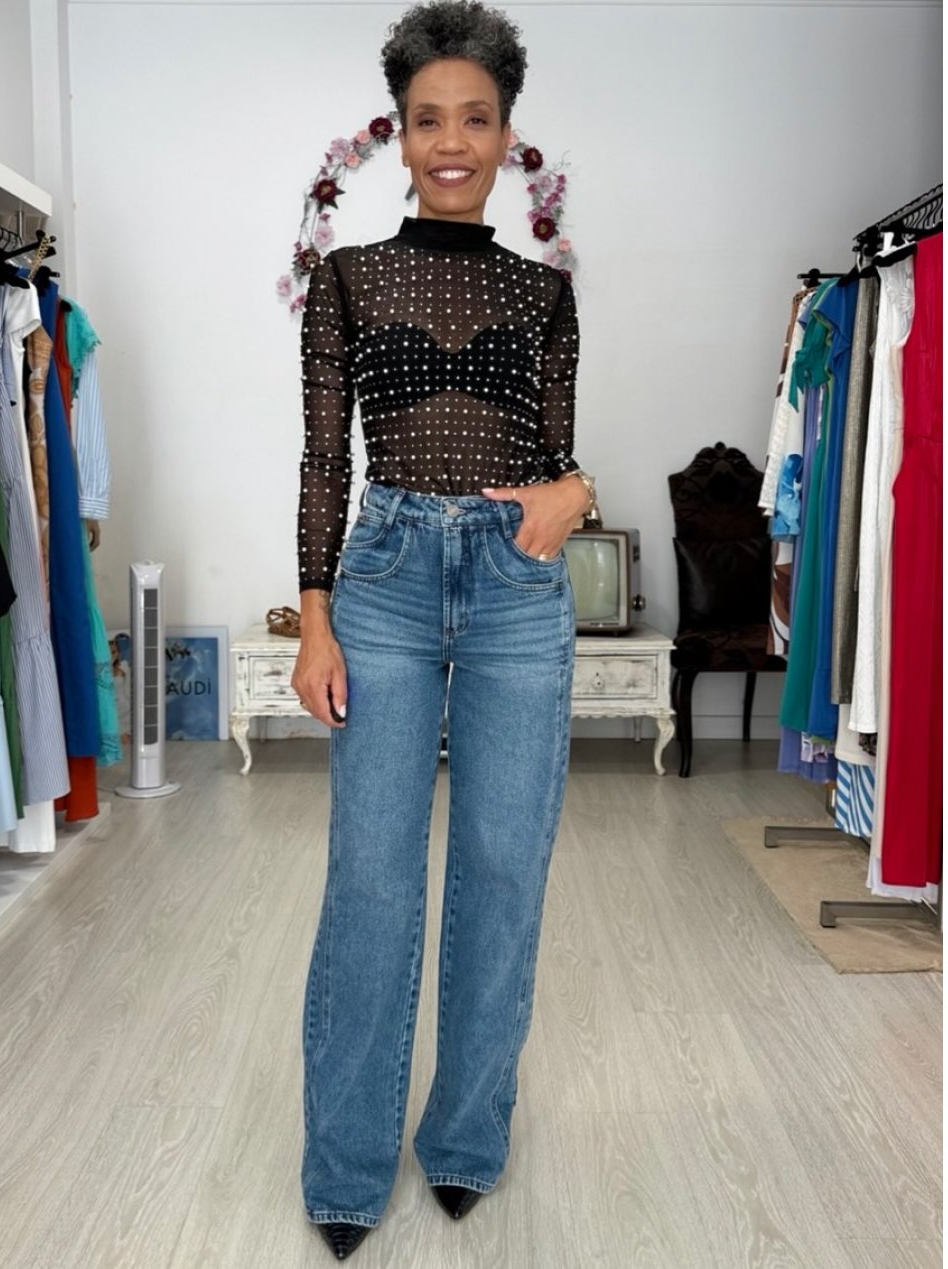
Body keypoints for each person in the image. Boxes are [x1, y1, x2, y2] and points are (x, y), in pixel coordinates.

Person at [291, 1, 595, 1258]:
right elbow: (324, 461)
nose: (453, 142)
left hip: (517, 591)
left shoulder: (546, 293)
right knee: (372, 877)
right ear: (399, 136)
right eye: (429, 120)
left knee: (504, 871)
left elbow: (562, 463)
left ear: (507, 135)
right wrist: (315, 621)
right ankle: (348, 1167)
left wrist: (575, 493)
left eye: (475, 119)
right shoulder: (348, 278)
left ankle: (466, 1141)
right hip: (387, 579)